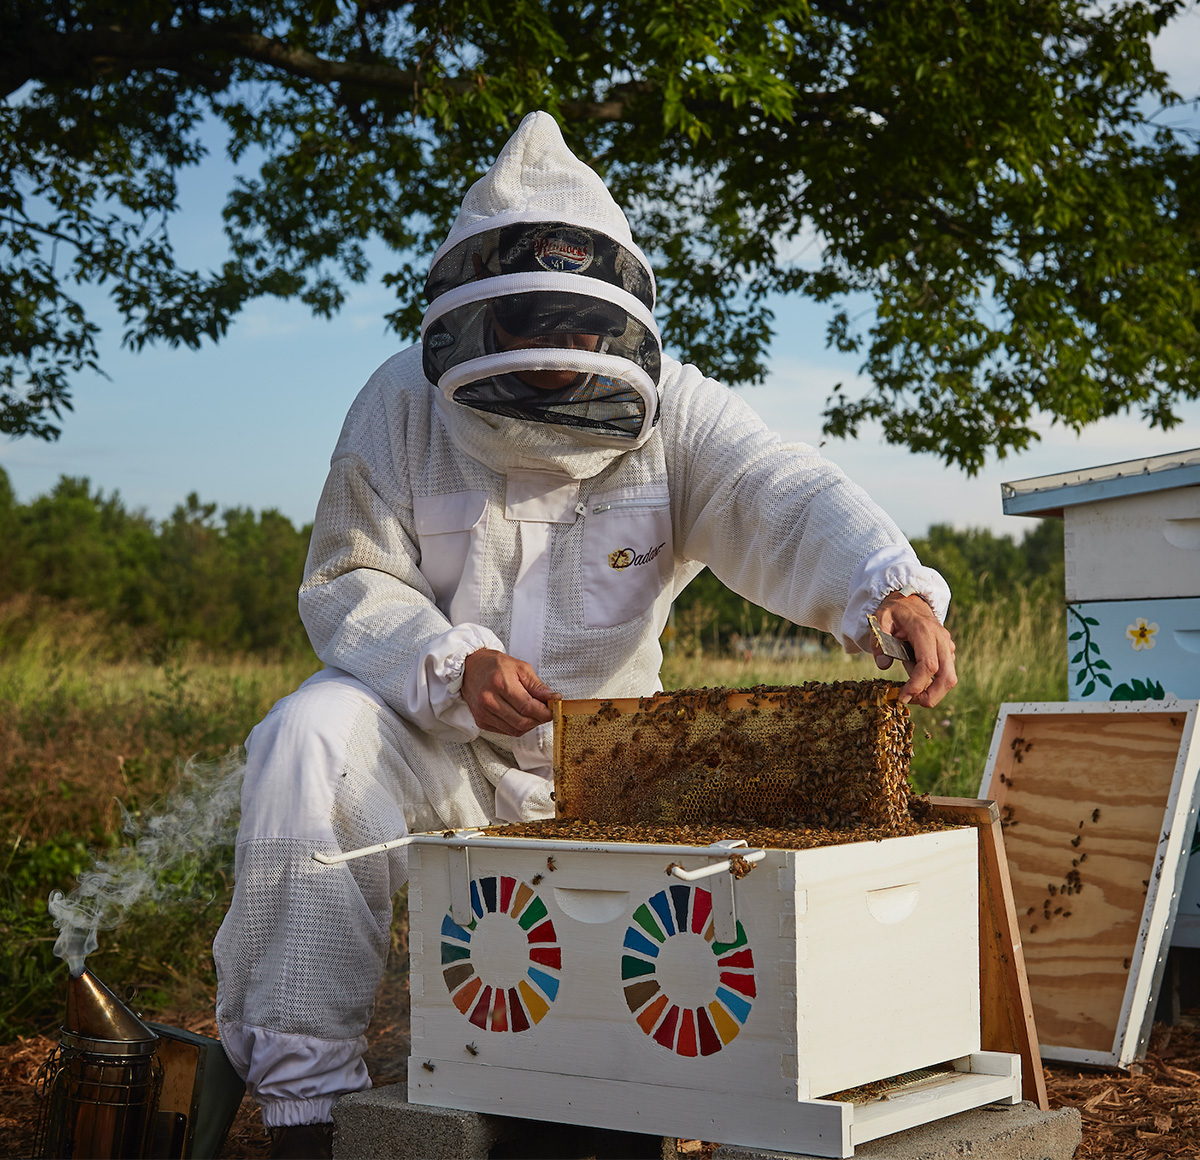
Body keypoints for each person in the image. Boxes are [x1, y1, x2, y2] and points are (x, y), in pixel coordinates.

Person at [213, 111, 956, 1158]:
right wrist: (453, 663)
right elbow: (347, 579)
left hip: (606, 772)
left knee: (599, 1056)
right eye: (526, 333)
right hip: (436, 747)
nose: (550, 370)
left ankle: (609, 1103)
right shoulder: (397, 405)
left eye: (570, 334)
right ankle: (307, 1109)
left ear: (616, 316)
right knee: (306, 739)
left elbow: (780, 491)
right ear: (478, 316)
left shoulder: (678, 415)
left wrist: (890, 586)